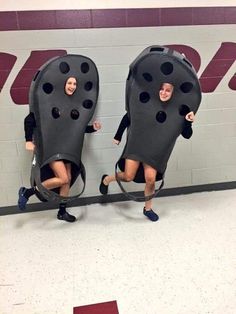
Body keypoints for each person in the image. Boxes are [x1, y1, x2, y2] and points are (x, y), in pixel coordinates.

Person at [99, 83, 195, 222]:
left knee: (150, 179)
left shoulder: (177, 110)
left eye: (168, 90)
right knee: (128, 176)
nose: (163, 92)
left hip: (154, 150)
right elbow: (128, 116)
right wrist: (118, 135)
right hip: (137, 146)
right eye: (161, 89)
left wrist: (188, 122)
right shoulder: (147, 102)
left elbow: (187, 135)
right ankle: (107, 179)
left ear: (173, 93)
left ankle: (147, 209)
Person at [18, 77, 101, 222]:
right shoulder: (51, 103)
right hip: (51, 148)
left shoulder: (74, 105)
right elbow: (30, 119)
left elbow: (77, 128)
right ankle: (28, 192)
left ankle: (62, 212)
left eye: (75, 83)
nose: (72, 86)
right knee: (63, 178)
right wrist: (28, 140)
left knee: (67, 180)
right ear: (63, 84)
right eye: (69, 83)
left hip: (68, 148)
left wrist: (92, 128)